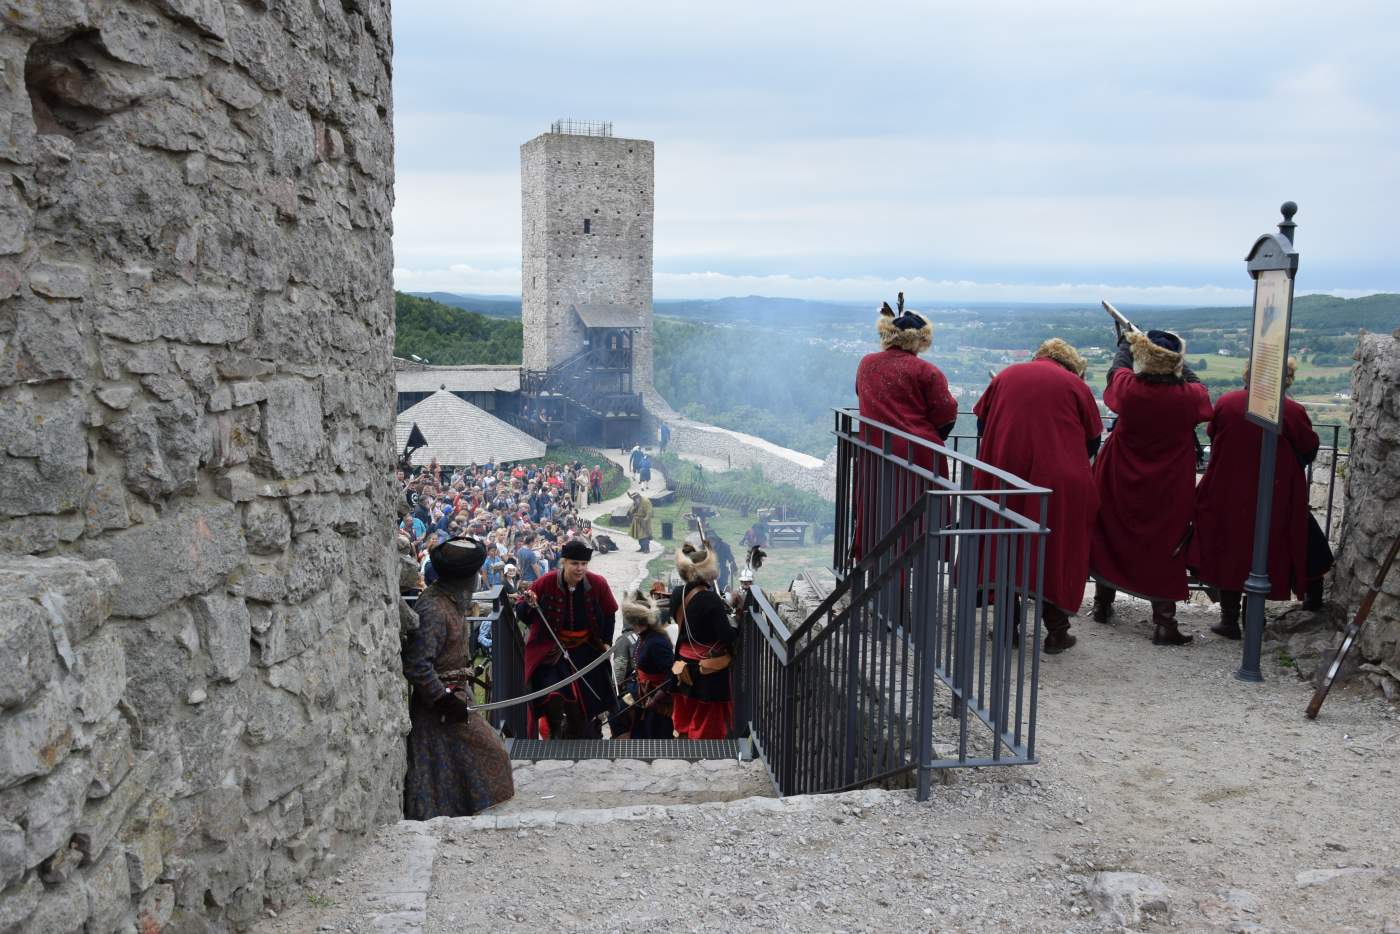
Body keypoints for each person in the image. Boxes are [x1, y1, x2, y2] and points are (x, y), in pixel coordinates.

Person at [972, 339, 1104, 654]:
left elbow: (981, 424)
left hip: (1004, 474)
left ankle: (1007, 628)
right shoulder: (1075, 385)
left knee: (1006, 541)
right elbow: (1092, 440)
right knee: (1057, 547)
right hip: (1058, 479)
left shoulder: (1006, 375)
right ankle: (1057, 632)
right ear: (1070, 364)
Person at [1189, 358, 1331, 637]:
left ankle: (1229, 620)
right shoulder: (1291, 411)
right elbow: (1309, 447)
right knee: (1283, 543)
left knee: (1230, 549)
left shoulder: (1228, 403)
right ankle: (1266, 612)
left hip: (1228, 490)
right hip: (1274, 492)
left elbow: (1213, 434)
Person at [1089, 329, 1212, 645]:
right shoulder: (1189, 397)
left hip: (1120, 473)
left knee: (1111, 532)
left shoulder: (1129, 390)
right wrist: (1174, 361)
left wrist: (1127, 344)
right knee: (1166, 543)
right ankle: (1164, 623)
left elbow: (1117, 370)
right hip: (1169, 482)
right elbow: (1199, 386)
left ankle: (1102, 605)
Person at [401, 537, 514, 818]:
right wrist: (443, 700)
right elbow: (417, 664)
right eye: (475, 573)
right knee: (491, 754)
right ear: (464, 578)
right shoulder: (434, 609)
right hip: (440, 707)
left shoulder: (449, 601)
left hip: (455, 698)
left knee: (458, 762)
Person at [853, 295, 958, 556]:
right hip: (919, 453)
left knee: (880, 511)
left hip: (875, 447)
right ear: (920, 339)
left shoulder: (866, 363)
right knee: (919, 516)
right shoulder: (926, 371)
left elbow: (861, 394)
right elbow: (945, 413)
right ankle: (918, 562)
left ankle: (878, 562)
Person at [519, 538, 619, 739]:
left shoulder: (598, 583)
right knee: (552, 691)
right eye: (574, 563)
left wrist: (607, 642)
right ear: (564, 562)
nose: (579, 568)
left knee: (589, 699)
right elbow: (523, 613)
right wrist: (528, 604)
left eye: (583, 564)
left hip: (587, 647)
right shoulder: (546, 582)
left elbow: (610, 612)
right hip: (552, 649)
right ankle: (554, 728)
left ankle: (583, 731)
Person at [670, 538, 737, 740]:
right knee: (707, 722)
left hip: (683, 663)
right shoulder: (710, 598)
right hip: (707, 668)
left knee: (686, 713)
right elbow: (725, 636)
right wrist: (738, 626)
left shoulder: (677, 593)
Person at [609, 590, 675, 740]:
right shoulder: (644, 637)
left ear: (635, 620)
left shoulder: (656, 641)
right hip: (641, 691)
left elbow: (672, 675)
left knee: (651, 735)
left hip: (655, 698)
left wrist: (656, 699)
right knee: (616, 712)